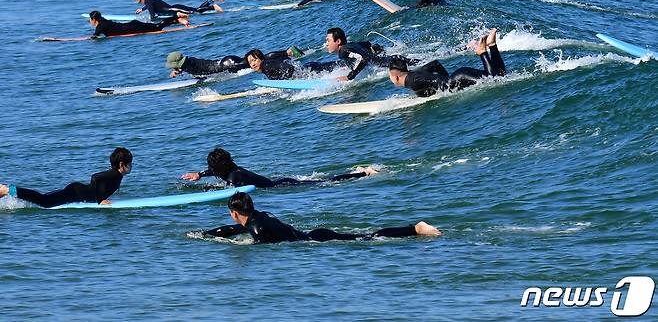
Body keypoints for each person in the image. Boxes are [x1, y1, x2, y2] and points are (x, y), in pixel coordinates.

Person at [201, 192, 442, 244]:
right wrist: (206, 234)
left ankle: (415, 228)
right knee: (366, 236)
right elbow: (235, 230)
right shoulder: (259, 217)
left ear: (234, 213)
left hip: (317, 242)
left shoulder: (257, 230)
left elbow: (251, 237)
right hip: (316, 234)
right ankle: (413, 228)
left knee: (369, 238)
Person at [388, 28, 506, 96]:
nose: (391, 80)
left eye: (390, 77)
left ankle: (482, 52)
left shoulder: (412, 82)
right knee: (500, 75)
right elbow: (435, 64)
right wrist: (447, 79)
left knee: (493, 80)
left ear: (396, 76)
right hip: (458, 76)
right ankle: (492, 45)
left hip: (459, 78)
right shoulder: (414, 74)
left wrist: (446, 85)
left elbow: (434, 81)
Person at [0, 148, 132, 208]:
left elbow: (101, 184)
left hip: (76, 192)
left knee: (44, 199)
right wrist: (100, 200)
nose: (131, 166)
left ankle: (8, 192)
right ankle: (7, 190)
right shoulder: (115, 174)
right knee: (44, 202)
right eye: (130, 163)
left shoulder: (116, 175)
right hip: (76, 192)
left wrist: (101, 197)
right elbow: (95, 178)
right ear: (122, 164)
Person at [181, 148, 378, 188]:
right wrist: (199, 174)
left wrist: (208, 190)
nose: (209, 169)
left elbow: (235, 192)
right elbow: (216, 172)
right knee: (323, 181)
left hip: (281, 186)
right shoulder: (232, 169)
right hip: (280, 182)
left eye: (209, 167)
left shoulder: (234, 178)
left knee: (325, 182)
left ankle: (362, 173)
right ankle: (358, 173)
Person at [324, 27, 417, 81]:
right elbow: (367, 44)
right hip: (392, 60)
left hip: (391, 65)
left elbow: (363, 58)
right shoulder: (350, 45)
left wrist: (349, 76)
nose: (326, 44)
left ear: (338, 41)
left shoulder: (343, 51)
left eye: (328, 40)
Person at [166, 47, 304, 78]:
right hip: (226, 62)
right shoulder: (188, 63)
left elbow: (191, 68)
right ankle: (287, 52)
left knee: (260, 60)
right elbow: (187, 67)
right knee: (258, 60)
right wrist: (177, 71)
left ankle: (287, 52)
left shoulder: (188, 64)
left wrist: (178, 71)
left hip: (229, 64)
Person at [133, 0, 224, 19]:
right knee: (196, 10)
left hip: (176, 9)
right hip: (175, 8)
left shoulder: (148, 2)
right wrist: (142, 9)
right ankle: (211, 0)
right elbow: (150, 6)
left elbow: (153, 16)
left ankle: (212, 7)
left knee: (196, 12)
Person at [88, 11, 188, 38]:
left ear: (94, 19)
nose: (89, 22)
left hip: (133, 27)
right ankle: (176, 20)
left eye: (90, 20)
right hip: (132, 26)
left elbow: (95, 35)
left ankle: (177, 18)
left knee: (158, 27)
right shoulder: (103, 21)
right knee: (157, 26)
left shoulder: (101, 24)